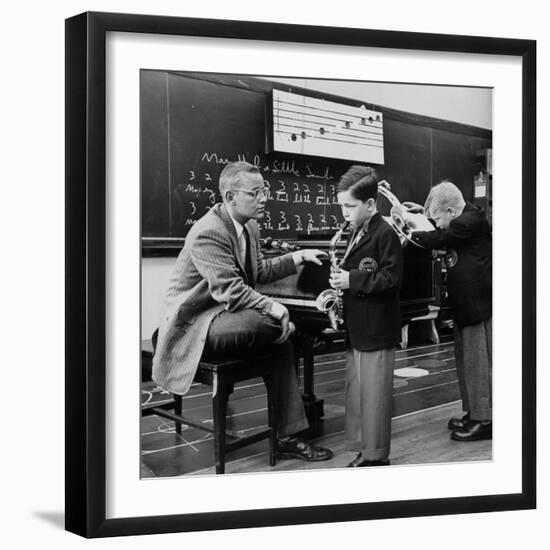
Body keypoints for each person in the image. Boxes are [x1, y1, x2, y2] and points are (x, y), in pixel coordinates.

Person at [152, 161, 333, 462]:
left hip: (223, 315)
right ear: (230, 197)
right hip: (194, 323)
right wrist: (274, 308)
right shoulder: (207, 232)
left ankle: (286, 436)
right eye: (255, 193)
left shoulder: (249, 226)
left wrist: (298, 256)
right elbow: (231, 290)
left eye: (264, 191)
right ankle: (286, 433)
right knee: (275, 321)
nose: (264, 198)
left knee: (281, 335)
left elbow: (259, 271)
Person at [405, 180, 492, 441]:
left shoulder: (469, 221)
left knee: (477, 365)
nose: (437, 224)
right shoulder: (463, 218)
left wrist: (408, 229)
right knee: (465, 363)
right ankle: (473, 412)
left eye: (438, 218)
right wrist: (422, 213)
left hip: (476, 305)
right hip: (464, 305)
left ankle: (484, 420)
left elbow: (439, 238)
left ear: (452, 213)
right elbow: (442, 226)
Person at [329, 166, 403, 467]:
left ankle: (376, 457)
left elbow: (391, 279)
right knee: (358, 391)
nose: (344, 212)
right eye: (342, 206)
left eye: (350, 206)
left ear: (370, 205)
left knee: (375, 396)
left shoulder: (385, 234)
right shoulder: (355, 231)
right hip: (358, 326)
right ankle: (362, 448)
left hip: (376, 327)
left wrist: (351, 280)